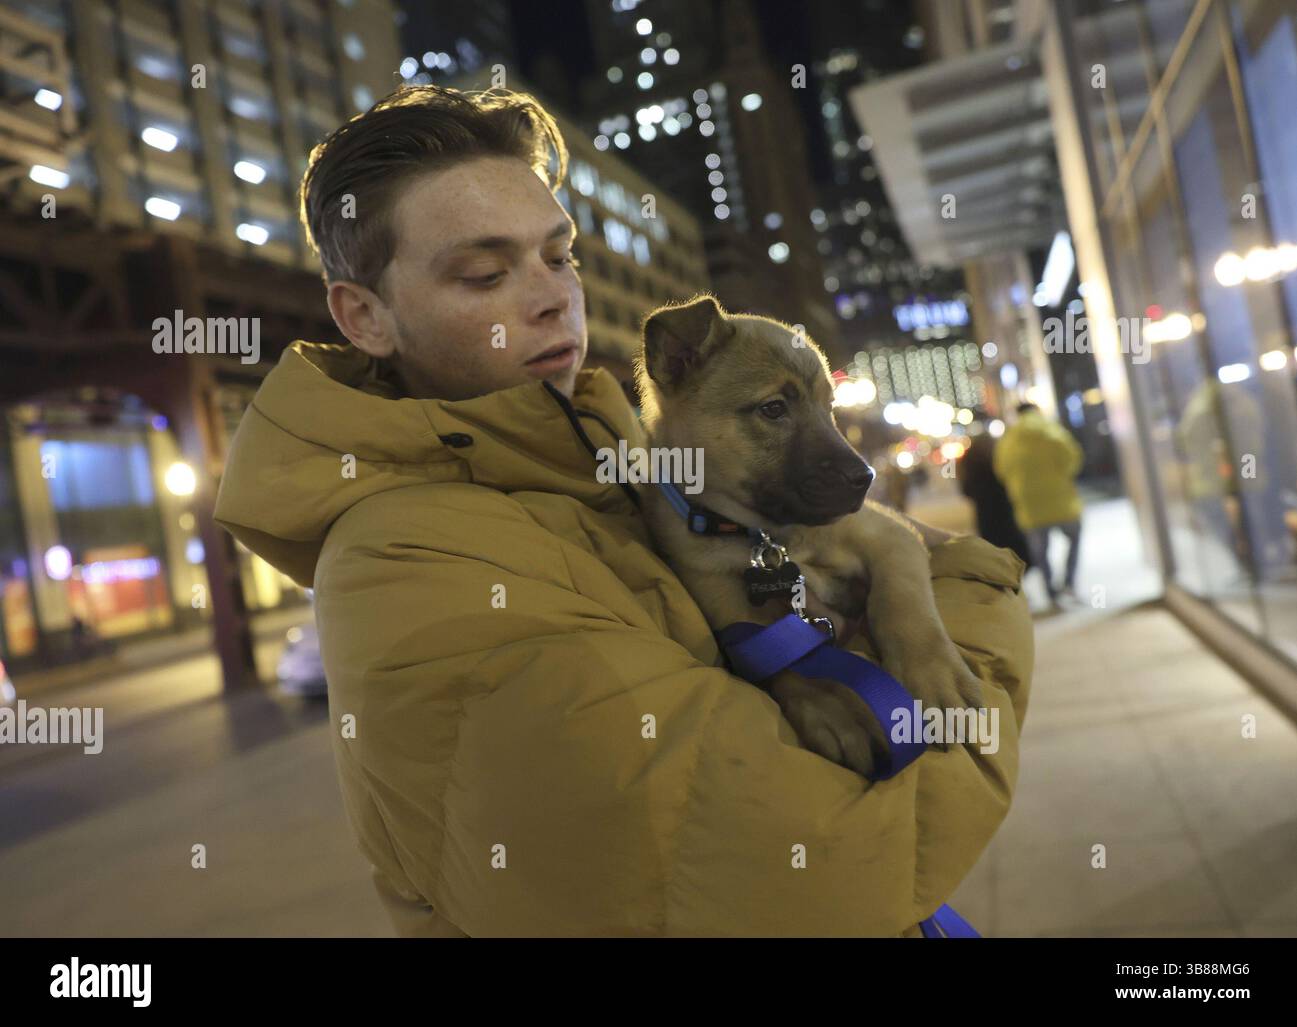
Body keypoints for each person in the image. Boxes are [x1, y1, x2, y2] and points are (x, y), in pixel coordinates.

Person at [213, 84, 1033, 937]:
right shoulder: (408, 565)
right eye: (487, 273)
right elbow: (804, 863)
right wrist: (986, 614)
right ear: (366, 317)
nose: (551, 296)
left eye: (559, 256)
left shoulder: (621, 476)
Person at [993, 401, 1084, 607]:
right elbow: (1073, 458)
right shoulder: (1051, 430)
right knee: (1074, 538)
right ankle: (1069, 583)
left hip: (1029, 505)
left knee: (1040, 551)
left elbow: (1001, 471)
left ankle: (1051, 593)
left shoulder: (1008, 440)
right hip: (1061, 499)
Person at [956, 429, 1033, 569]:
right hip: (1005, 510)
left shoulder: (968, 462)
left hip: (985, 514)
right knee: (1015, 549)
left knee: (997, 552)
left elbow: (965, 490)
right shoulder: (998, 456)